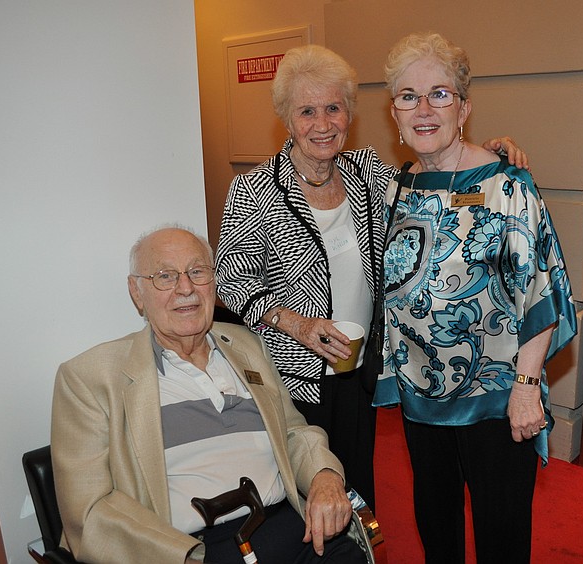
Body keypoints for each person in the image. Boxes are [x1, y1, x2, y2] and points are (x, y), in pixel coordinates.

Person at [215, 43, 527, 511]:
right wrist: (296, 324)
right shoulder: (255, 188)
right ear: (287, 119)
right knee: (305, 492)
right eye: (306, 111)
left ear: (349, 114)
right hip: (294, 374)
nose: (322, 124)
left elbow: (434, 181)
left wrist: (487, 156)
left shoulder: (367, 173)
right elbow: (231, 279)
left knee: (358, 487)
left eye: (333, 108)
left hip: (360, 370)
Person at [373, 33, 578, 563]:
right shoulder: (397, 185)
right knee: (435, 519)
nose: (423, 109)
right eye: (408, 96)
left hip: (495, 399)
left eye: (439, 94)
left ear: (464, 108)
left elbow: (540, 291)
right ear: (393, 113)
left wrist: (527, 388)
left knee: (501, 529)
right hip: (421, 395)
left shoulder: (506, 185)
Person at [51, 226, 365, 564]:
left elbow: (293, 432)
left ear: (214, 282)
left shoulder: (248, 346)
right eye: (165, 276)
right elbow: (90, 511)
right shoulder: (91, 377)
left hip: (290, 528)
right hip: (192, 549)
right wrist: (181, 557)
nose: (186, 288)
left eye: (198, 272)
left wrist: (324, 475)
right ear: (136, 292)